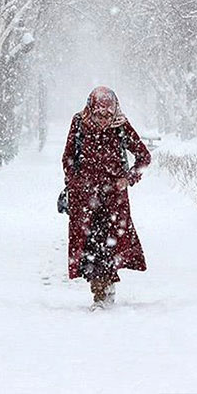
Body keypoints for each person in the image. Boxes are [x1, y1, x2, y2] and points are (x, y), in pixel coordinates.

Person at [61, 86, 151, 309]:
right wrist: (75, 183)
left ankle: (104, 291)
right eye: (99, 115)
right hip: (85, 199)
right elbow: (68, 157)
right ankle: (99, 290)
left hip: (114, 201)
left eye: (108, 115)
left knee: (109, 246)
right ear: (91, 109)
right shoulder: (79, 123)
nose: (103, 120)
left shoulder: (120, 126)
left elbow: (143, 157)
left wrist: (128, 179)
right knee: (90, 247)